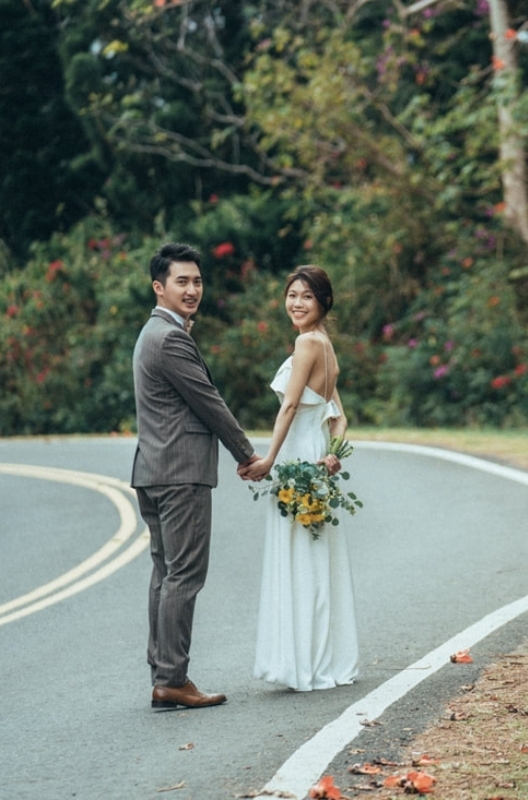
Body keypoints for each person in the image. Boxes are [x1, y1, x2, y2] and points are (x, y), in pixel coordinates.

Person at [131, 242, 263, 710]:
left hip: (154, 469)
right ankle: (171, 677)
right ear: (159, 287)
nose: (192, 289)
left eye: (197, 281)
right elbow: (208, 401)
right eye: (181, 281)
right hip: (180, 474)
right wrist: (247, 454)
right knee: (183, 574)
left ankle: (164, 672)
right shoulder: (169, 338)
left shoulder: (153, 332)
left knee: (166, 572)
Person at [244, 265, 359, 691]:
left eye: (306, 296)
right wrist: (331, 455)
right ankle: (319, 658)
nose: (296, 303)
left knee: (299, 559)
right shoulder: (326, 347)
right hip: (314, 461)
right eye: (292, 294)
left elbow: (289, 408)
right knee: (315, 559)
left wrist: (269, 460)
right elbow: (340, 418)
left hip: (296, 461)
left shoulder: (307, 343)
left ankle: (302, 663)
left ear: (323, 303)